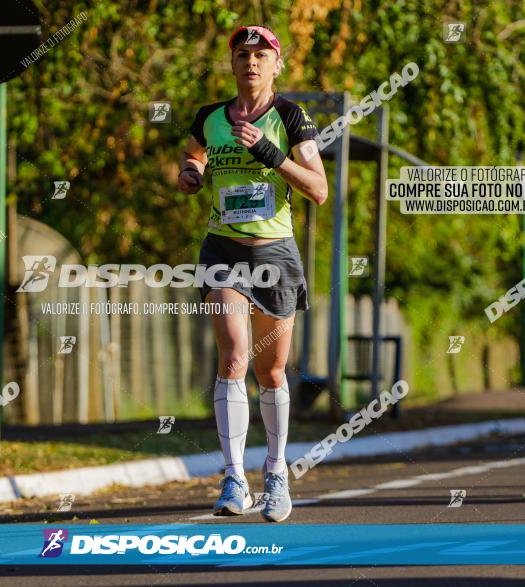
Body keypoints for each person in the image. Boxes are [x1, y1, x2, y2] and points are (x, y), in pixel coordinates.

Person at [178, 25, 328, 522]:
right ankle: (234, 477)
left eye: (261, 55)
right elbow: (192, 153)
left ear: (276, 65)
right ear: (233, 63)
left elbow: (319, 189)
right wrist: (191, 172)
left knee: (272, 370)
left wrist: (271, 153)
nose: (251, 62)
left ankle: (277, 472)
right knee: (235, 356)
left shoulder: (290, 117)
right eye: (243, 54)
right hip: (223, 251)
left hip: (275, 256)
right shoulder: (210, 117)